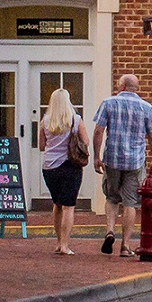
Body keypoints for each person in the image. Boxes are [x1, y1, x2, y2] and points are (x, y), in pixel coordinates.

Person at [92, 74, 152, 258]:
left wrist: (97, 157)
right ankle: (125, 245)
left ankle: (109, 231)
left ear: (121, 86)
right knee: (130, 202)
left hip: (112, 159)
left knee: (112, 197)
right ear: (135, 88)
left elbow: (98, 131)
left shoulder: (108, 103)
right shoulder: (146, 107)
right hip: (135, 161)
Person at [37, 88, 89, 256]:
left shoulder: (45, 121)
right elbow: (85, 141)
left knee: (57, 204)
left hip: (49, 167)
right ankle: (65, 245)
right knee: (68, 206)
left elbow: (41, 145)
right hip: (69, 166)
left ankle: (59, 242)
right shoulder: (75, 120)